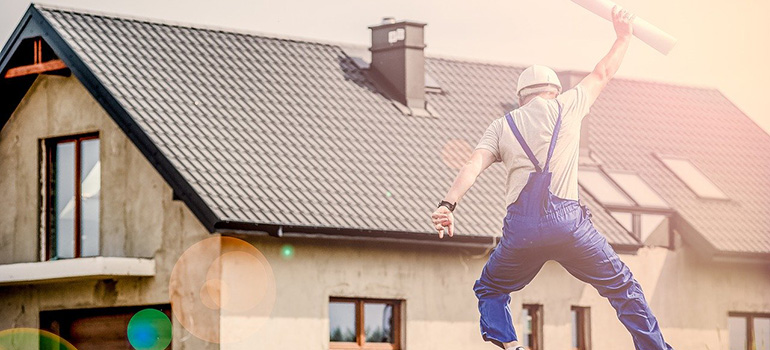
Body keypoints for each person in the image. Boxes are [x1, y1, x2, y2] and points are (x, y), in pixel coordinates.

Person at [430, 6, 674, 350]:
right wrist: (623, 36)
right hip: (569, 227)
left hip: (522, 232)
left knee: (490, 288)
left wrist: (447, 205)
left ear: (520, 97)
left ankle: (510, 345)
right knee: (623, 288)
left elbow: (472, 164)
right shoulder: (568, 105)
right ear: (552, 90)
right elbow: (603, 72)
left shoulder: (502, 125)